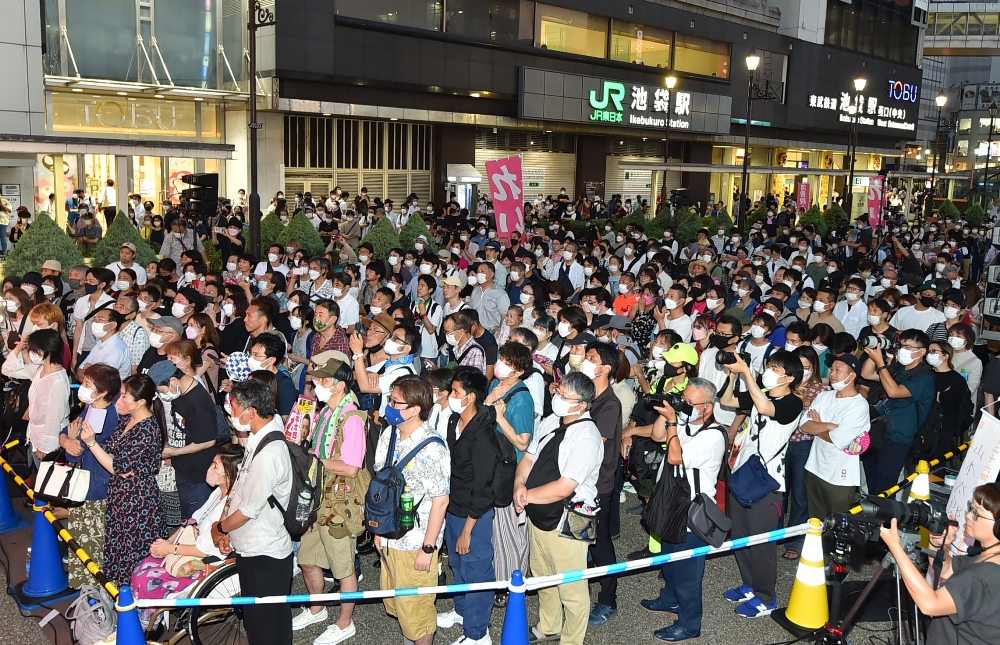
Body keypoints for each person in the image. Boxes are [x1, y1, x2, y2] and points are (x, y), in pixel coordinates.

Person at [513, 372, 603, 645]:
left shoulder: (587, 436)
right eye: (558, 392)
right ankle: (549, 625)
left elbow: (565, 487)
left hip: (568, 520)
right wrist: (519, 484)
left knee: (571, 588)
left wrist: (526, 496)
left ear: (582, 405)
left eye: (566, 397)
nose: (558, 399)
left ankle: (572, 640)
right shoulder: (552, 420)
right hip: (538, 514)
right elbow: (529, 457)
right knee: (542, 577)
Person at [640, 378, 727, 643]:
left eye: (691, 403)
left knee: (688, 574)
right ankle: (670, 600)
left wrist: (672, 421)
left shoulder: (713, 436)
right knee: (669, 561)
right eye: (683, 400)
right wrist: (667, 411)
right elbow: (657, 437)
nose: (685, 406)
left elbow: (675, 456)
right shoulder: (686, 422)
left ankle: (690, 625)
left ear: (708, 407)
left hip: (691, 513)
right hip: (670, 503)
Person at [720, 350, 803, 617]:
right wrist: (733, 376)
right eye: (769, 366)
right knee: (741, 537)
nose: (768, 372)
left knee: (761, 544)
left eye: (776, 369)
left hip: (769, 484)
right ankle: (750, 585)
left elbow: (767, 408)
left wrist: (746, 372)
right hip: (744, 474)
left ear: (790, 378)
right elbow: (727, 400)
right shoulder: (761, 393)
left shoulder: (793, 403)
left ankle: (767, 597)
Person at [211, 379, 294, 645]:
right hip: (251, 548)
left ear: (251, 412)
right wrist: (227, 528)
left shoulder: (268, 453)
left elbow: (248, 509)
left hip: (265, 554)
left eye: (235, 407)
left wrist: (221, 528)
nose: (231, 413)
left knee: (268, 629)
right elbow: (239, 490)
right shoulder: (260, 436)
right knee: (257, 624)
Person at [132, 443, 245, 629]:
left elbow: (204, 550)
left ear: (229, 476)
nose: (210, 468)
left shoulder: (229, 508)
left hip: (204, 564)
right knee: (143, 565)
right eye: (213, 463)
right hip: (189, 549)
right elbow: (192, 521)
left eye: (216, 466)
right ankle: (149, 620)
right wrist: (167, 542)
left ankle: (150, 626)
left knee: (145, 579)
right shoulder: (219, 492)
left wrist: (169, 549)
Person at [294, 354, 366, 644]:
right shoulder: (325, 412)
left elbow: (351, 468)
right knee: (307, 559)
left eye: (323, 381)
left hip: (339, 502)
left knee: (343, 568)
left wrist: (313, 461)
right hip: (317, 496)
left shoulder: (351, 419)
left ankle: (345, 623)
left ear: (339, 385)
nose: (317, 385)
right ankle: (317, 608)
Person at [373, 375, 450, 645]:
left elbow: (441, 501)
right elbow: (382, 485)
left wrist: (428, 548)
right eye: (390, 399)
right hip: (390, 537)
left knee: (418, 612)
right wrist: (379, 531)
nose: (390, 406)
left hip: (416, 542)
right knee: (399, 606)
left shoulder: (433, 448)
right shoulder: (390, 434)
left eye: (396, 402)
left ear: (416, 409)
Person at [881, 483, 1000, 643]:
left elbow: (930, 604)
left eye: (976, 513)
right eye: (970, 507)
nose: (968, 516)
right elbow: (947, 569)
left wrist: (896, 548)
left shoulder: (983, 577)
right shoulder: (989, 556)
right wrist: (937, 544)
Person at [81, 374, 167, 584]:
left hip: (138, 501)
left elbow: (116, 466)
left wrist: (92, 443)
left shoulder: (147, 429)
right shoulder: (128, 420)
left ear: (140, 402)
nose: (119, 401)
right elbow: (110, 450)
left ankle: (136, 595)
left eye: (125, 397)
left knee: (135, 551)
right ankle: (121, 592)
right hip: (121, 495)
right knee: (120, 547)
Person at [439, 367, 498, 645]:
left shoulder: (483, 436)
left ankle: (478, 634)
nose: (450, 395)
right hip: (454, 508)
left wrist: (468, 530)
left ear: (471, 397)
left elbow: (483, 489)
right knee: (458, 565)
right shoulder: (454, 421)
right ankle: (462, 612)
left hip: (474, 515)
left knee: (477, 571)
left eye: (455, 391)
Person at [58, 363, 121, 588]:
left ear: (103, 392)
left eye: (87, 383)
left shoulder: (103, 418)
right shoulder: (91, 408)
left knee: (90, 544)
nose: (82, 386)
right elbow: (65, 433)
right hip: (85, 484)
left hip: (95, 490)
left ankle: (92, 590)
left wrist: (69, 442)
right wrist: (67, 440)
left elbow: (75, 453)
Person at [860, 329, 937, 495]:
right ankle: (872, 510)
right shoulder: (898, 369)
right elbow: (867, 374)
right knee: (871, 482)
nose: (903, 350)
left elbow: (894, 391)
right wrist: (875, 352)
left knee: (885, 486)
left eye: (908, 347)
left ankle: (886, 512)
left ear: (922, 352)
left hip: (898, 438)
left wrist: (880, 362)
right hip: (879, 431)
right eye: (901, 346)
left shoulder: (925, 378)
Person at [583, 342, 624, 627]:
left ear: (605, 368)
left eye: (591, 358)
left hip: (599, 484)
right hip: (581, 480)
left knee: (599, 543)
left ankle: (608, 600)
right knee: (582, 537)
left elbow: (596, 441)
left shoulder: (610, 404)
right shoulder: (587, 395)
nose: (585, 361)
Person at [800, 355, 870, 522]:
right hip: (815, 467)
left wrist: (818, 425)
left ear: (852, 376)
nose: (832, 373)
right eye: (832, 369)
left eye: (838, 370)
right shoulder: (824, 396)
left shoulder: (858, 406)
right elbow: (804, 425)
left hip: (840, 476)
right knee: (815, 521)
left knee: (837, 523)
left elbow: (839, 440)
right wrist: (829, 426)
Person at [151, 356, 220, 521]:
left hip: (197, 475)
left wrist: (173, 452)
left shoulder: (198, 401)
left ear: (174, 381)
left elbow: (208, 440)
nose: (163, 395)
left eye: (162, 391)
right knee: (186, 520)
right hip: (183, 470)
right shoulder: (180, 393)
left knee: (195, 521)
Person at [2, 329, 70, 464]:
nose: (31, 353)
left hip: (48, 441)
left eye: (34, 350)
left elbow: (53, 418)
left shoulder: (57, 381)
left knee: (45, 473)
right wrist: (18, 348)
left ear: (46, 351)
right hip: (35, 435)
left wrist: (45, 447)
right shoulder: (39, 369)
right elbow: (7, 370)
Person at [78, 308, 132, 380]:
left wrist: (88, 371)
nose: (95, 322)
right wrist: (90, 372)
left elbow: (102, 380)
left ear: (112, 325)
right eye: (95, 319)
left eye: (100, 319)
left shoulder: (117, 349)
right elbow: (78, 374)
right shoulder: (98, 345)